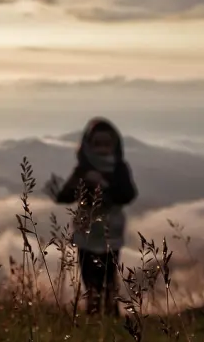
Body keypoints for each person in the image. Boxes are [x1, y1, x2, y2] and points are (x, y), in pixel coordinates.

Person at [45, 117, 137, 316]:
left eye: (107, 144)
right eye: (98, 144)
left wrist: (103, 184)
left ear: (115, 145)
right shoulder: (83, 169)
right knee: (89, 277)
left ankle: (110, 314)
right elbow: (67, 196)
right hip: (86, 232)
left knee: (108, 277)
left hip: (110, 233)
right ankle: (94, 314)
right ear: (88, 145)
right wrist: (58, 192)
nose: (103, 148)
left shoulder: (119, 168)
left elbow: (128, 195)